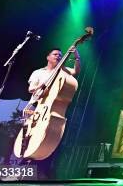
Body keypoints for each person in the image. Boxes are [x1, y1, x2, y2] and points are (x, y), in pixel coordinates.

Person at [25, 46, 81, 179]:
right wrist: (43, 85)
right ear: (48, 57)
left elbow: (76, 71)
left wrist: (77, 57)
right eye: (55, 54)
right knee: (27, 135)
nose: (58, 56)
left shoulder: (63, 72)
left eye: (60, 55)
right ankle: (24, 164)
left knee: (50, 140)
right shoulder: (38, 72)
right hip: (36, 106)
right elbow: (31, 88)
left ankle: (42, 170)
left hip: (51, 111)